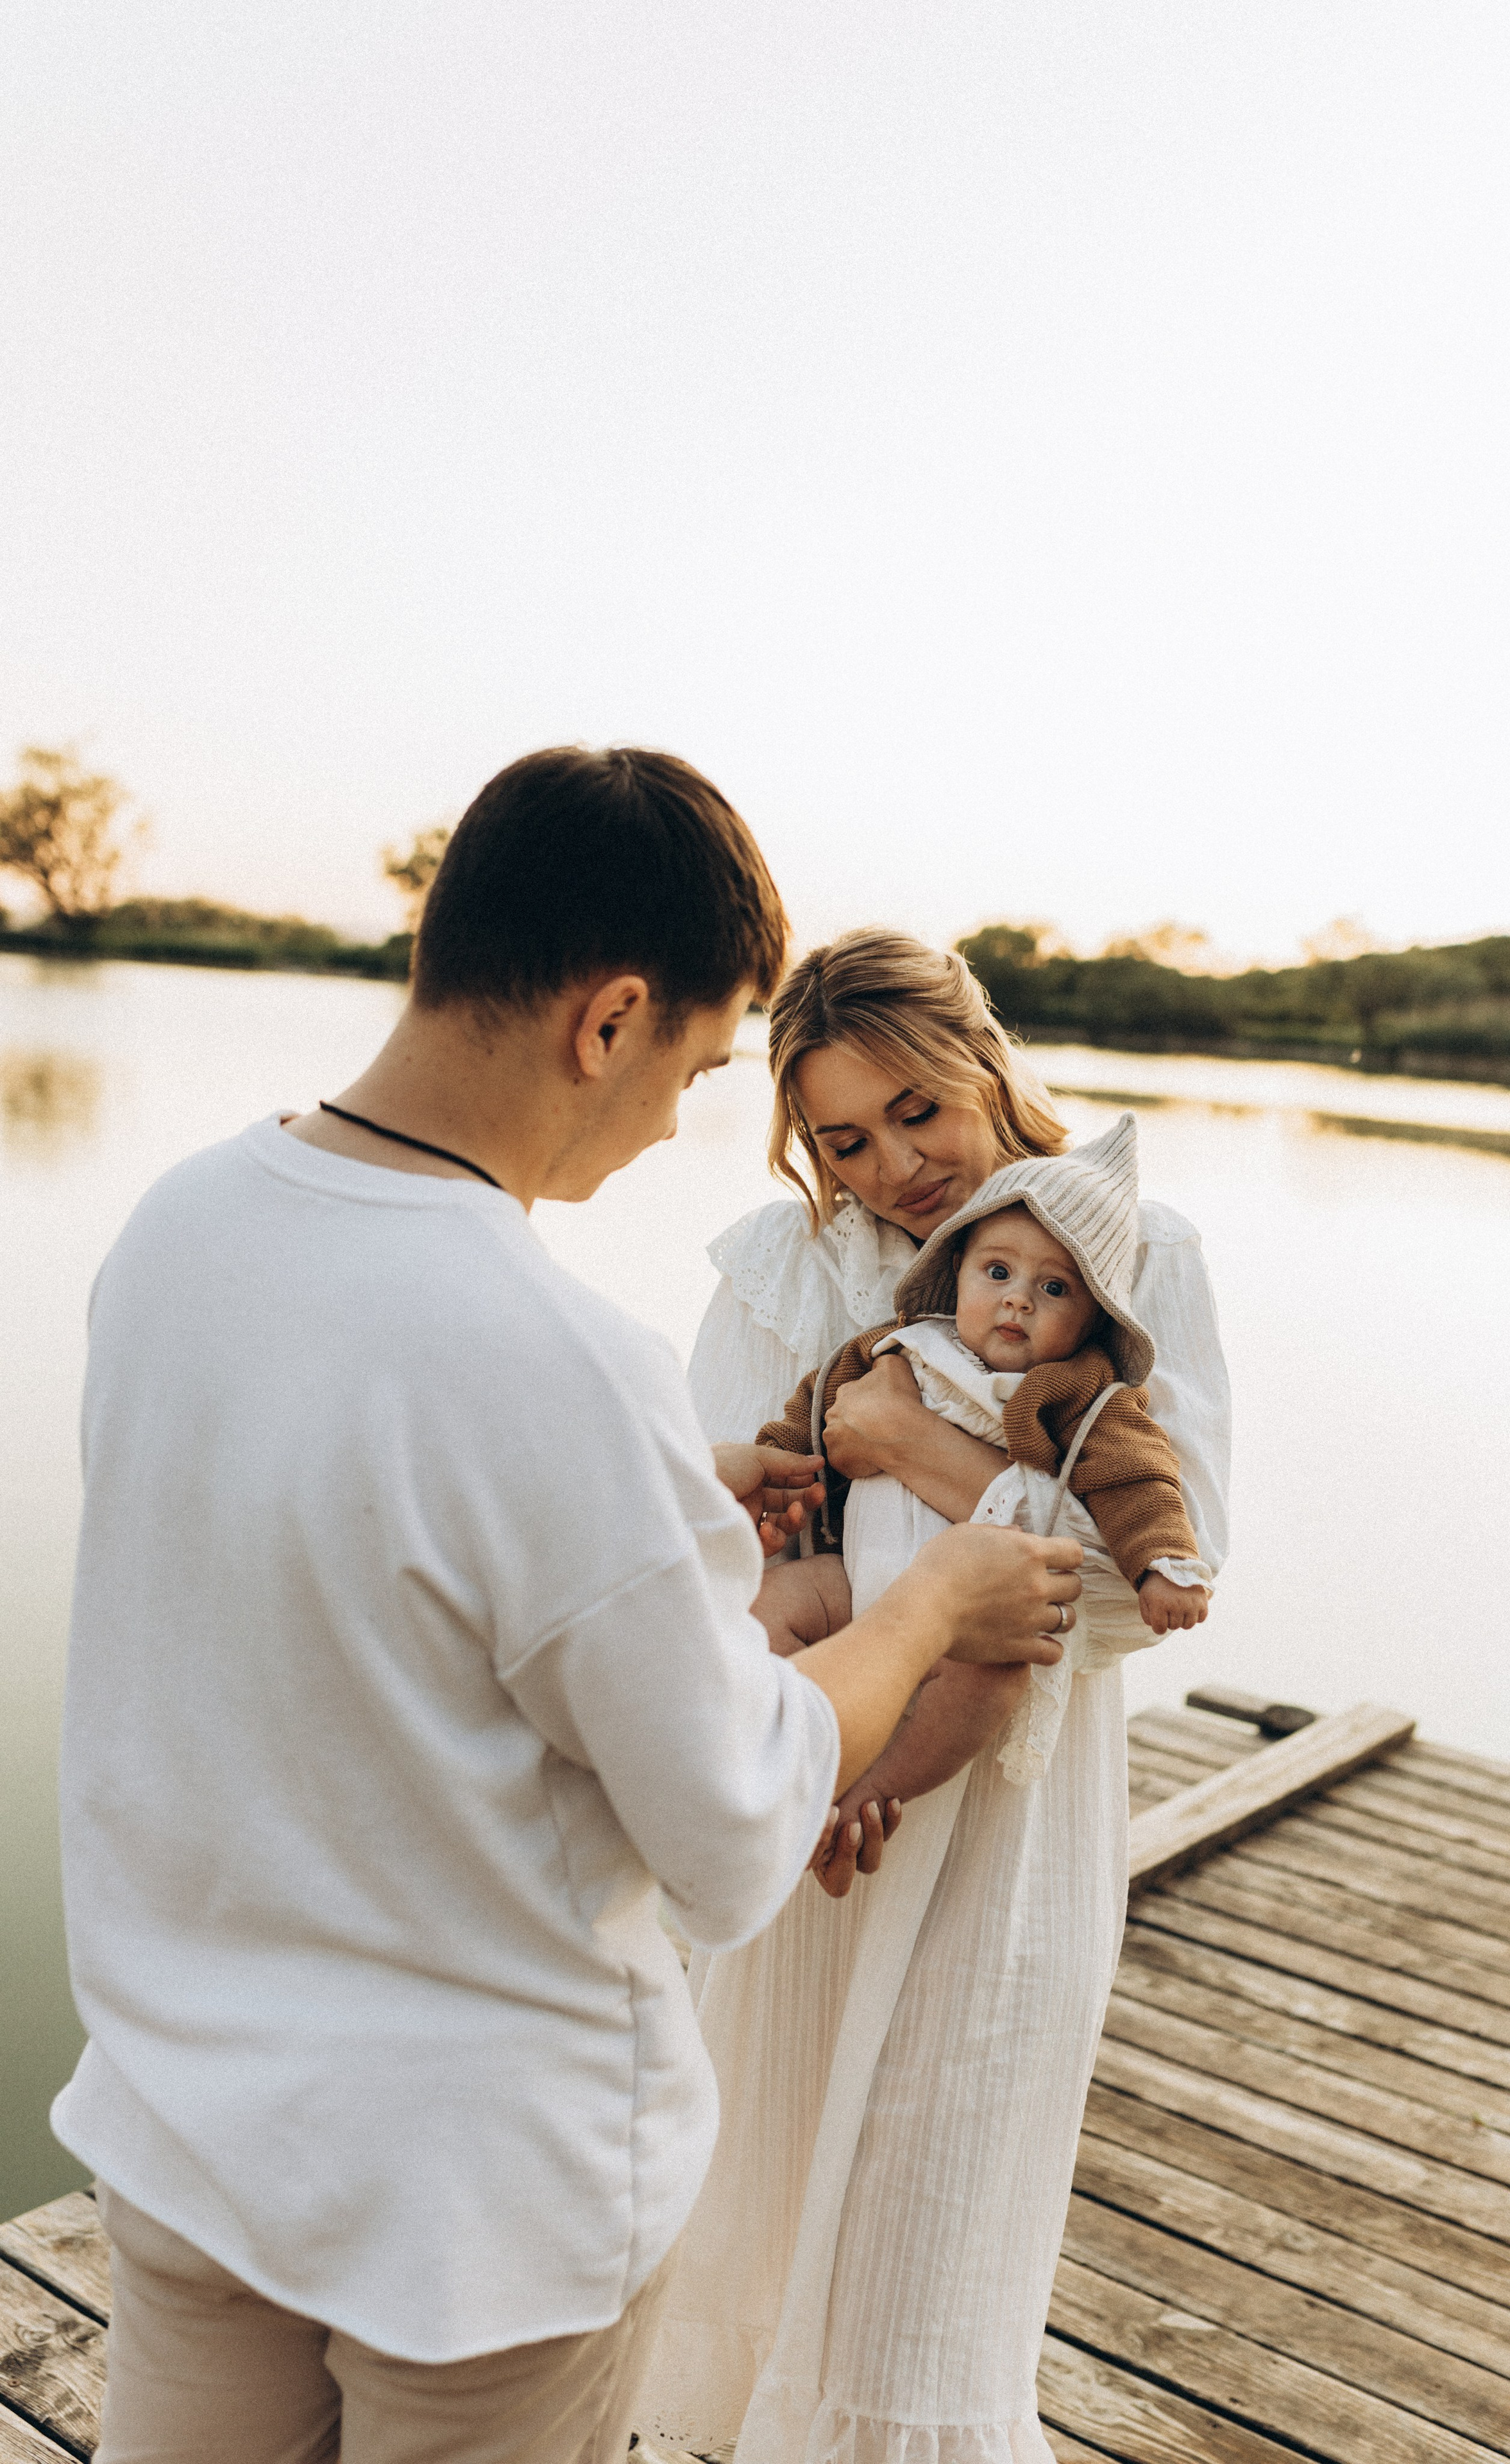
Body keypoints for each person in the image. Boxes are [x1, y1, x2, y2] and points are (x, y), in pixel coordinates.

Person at [51, 755, 1082, 2464]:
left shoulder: (179, 1227)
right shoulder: (558, 1363)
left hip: (191, 2139)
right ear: (609, 1020)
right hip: (480, 2216)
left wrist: (678, 1493)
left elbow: (341, 1561)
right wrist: (931, 1610)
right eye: (690, 1059)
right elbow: (738, 1826)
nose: (681, 1117)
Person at [634, 928, 1230, 2464]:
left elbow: (1144, 1581)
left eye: (916, 1110)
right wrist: (798, 1747)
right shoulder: (782, 1270)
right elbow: (720, 1550)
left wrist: (908, 1450)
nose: (889, 1162)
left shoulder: (1127, 1253)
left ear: (982, 1059)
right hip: (817, 1784)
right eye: (840, 1135)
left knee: (926, 2259)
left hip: (1006, 1826)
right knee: (752, 2231)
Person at [749, 1126, 1214, 1851]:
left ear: (1091, 1317)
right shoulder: (897, 1349)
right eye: (997, 1273)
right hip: (851, 1586)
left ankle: (869, 1796)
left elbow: (1136, 1479)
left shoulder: (1080, 1395)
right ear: (956, 1271)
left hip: (973, 1621)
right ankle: (777, 1767)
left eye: (1053, 1288)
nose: (1017, 1301)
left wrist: (1163, 1563)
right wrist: (772, 1475)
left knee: (992, 1682)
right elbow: (811, 1412)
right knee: (771, 1604)